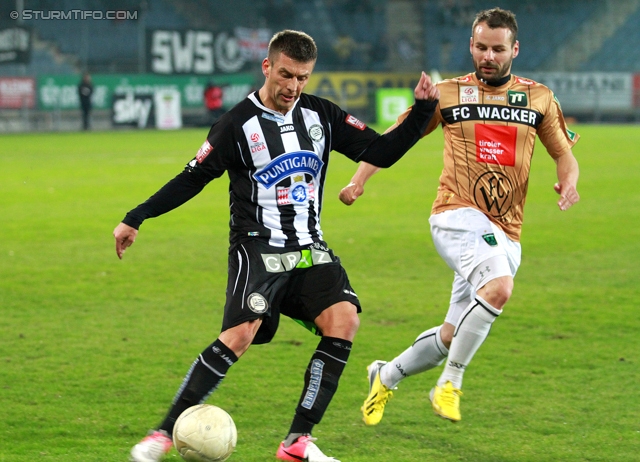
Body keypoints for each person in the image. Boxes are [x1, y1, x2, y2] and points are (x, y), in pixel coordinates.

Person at [114, 29, 439, 462]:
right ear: (267, 67)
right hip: (258, 248)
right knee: (239, 335)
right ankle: (162, 434)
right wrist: (137, 216)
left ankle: (296, 442)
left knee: (344, 321)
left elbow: (379, 149)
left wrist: (421, 114)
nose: (292, 87)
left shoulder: (321, 115)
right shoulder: (235, 124)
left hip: (309, 247)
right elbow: (193, 177)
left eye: (302, 77)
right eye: (285, 74)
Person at [339, 7, 580, 426]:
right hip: (456, 214)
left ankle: (385, 374)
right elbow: (395, 139)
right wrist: (359, 181)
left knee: (453, 333)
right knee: (499, 288)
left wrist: (569, 182)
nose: (489, 56)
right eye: (482, 47)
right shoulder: (447, 95)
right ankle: (450, 383)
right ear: (471, 45)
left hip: (505, 230)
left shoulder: (538, 98)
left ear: (514, 49)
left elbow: (564, 155)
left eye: (498, 49)